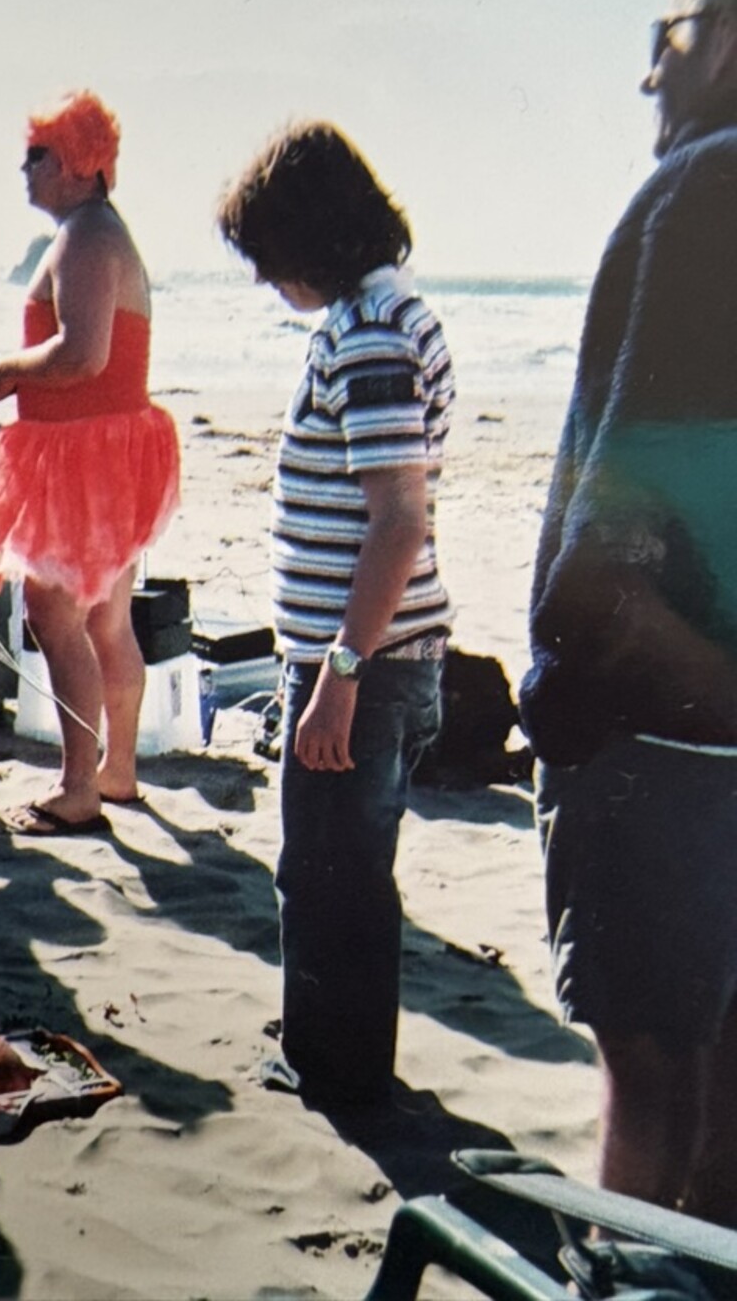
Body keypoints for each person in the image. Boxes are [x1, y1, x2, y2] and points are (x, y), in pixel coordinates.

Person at [521, 0, 737, 1222]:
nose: (648, 75)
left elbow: (599, 585)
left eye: (667, 37)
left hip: (667, 771)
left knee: (658, 1109)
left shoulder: (709, 191)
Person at [216, 121, 454, 1111]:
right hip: (373, 656)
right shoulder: (386, 313)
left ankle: (334, 1074)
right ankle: (334, 1049)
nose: (274, 285)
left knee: (330, 880)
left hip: (363, 662)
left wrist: (337, 679)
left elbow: (398, 521)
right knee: (344, 872)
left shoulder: (370, 337)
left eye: (274, 264)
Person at [0, 91, 180, 834]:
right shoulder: (101, 232)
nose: (24, 169)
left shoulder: (87, 236)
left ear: (78, 164)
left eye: (37, 155)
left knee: (59, 620)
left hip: (82, 454)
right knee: (109, 621)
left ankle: (78, 787)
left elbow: (83, 353)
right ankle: (116, 773)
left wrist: (8, 369)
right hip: (110, 452)